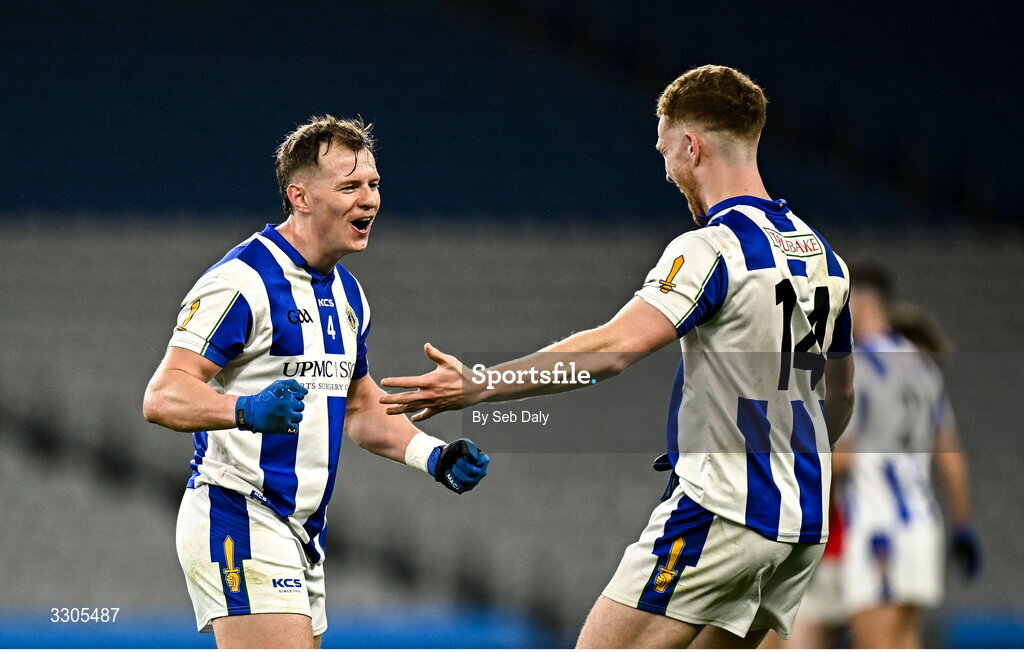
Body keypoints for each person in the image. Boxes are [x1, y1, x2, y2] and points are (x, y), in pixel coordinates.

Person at [379, 65, 856, 648]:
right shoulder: (827, 259)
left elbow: (613, 349)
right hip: (800, 522)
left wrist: (480, 385)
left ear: (691, 145)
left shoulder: (714, 247)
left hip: (723, 510)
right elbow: (840, 395)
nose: (664, 166)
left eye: (664, 149)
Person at [142, 115, 490, 649]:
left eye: (373, 185)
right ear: (299, 196)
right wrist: (246, 411)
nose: (369, 200)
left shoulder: (349, 295)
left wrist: (435, 457)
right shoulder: (242, 282)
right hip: (238, 514)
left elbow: (360, 409)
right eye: (349, 186)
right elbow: (164, 394)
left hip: (301, 533)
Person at [831, 263, 980, 648]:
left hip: (878, 529)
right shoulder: (922, 365)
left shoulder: (856, 366)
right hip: (921, 526)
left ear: (861, 303)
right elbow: (950, 454)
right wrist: (962, 524)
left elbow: (843, 458)